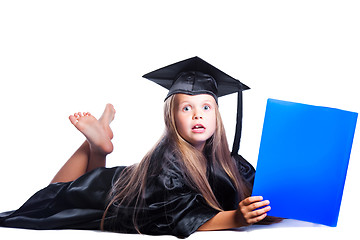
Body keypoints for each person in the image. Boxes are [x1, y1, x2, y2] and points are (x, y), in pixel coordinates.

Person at [0, 57, 274, 238]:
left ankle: (99, 146)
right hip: (106, 195)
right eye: (186, 108)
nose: (197, 115)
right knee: (52, 197)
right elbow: (184, 218)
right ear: (171, 118)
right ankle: (95, 146)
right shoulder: (169, 166)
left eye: (206, 107)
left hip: (123, 185)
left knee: (73, 188)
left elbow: (261, 194)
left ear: (217, 116)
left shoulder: (230, 163)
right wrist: (236, 217)